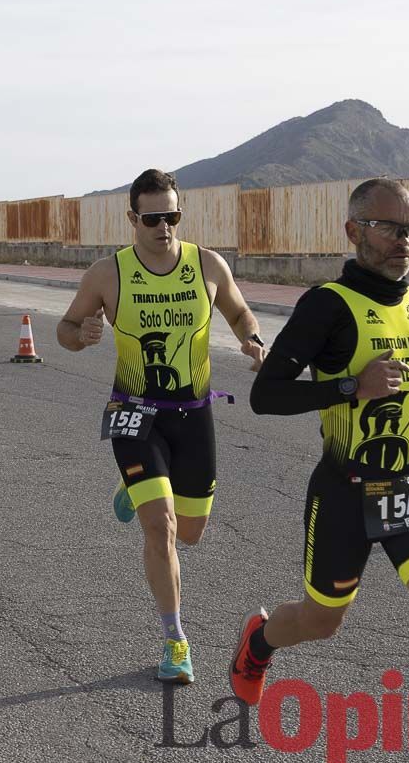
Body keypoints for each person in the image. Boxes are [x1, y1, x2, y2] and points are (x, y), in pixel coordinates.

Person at [233, 178, 409, 763]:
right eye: (390, 228)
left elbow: (404, 383)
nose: (404, 241)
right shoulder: (326, 306)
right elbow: (266, 395)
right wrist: (351, 386)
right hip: (345, 493)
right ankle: (260, 640)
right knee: (320, 622)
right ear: (354, 231)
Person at [56, 168, 266, 684]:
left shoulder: (208, 265)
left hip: (193, 416)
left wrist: (253, 339)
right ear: (132, 218)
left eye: (171, 216)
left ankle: (137, 490)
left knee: (190, 534)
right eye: (152, 218)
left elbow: (240, 313)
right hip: (135, 414)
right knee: (162, 527)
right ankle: (176, 640)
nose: (164, 227)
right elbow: (63, 330)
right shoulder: (108, 274)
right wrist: (80, 335)